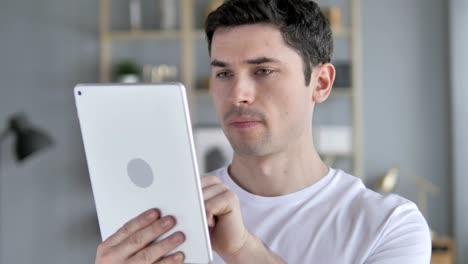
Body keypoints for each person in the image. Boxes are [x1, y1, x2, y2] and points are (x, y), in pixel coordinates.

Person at [95, 0, 432, 263]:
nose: (238, 94)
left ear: (321, 83)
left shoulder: (388, 225)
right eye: (224, 74)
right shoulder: (169, 221)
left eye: (263, 70)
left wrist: (242, 250)